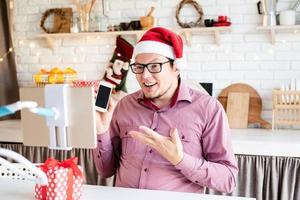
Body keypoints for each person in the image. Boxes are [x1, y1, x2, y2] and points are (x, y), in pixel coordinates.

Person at [93, 27, 238, 193]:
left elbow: (228, 179)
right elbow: (105, 171)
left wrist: (180, 159)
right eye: (139, 67)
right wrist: (101, 131)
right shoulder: (124, 105)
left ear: (176, 68)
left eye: (154, 66)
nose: (145, 76)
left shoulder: (209, 109)